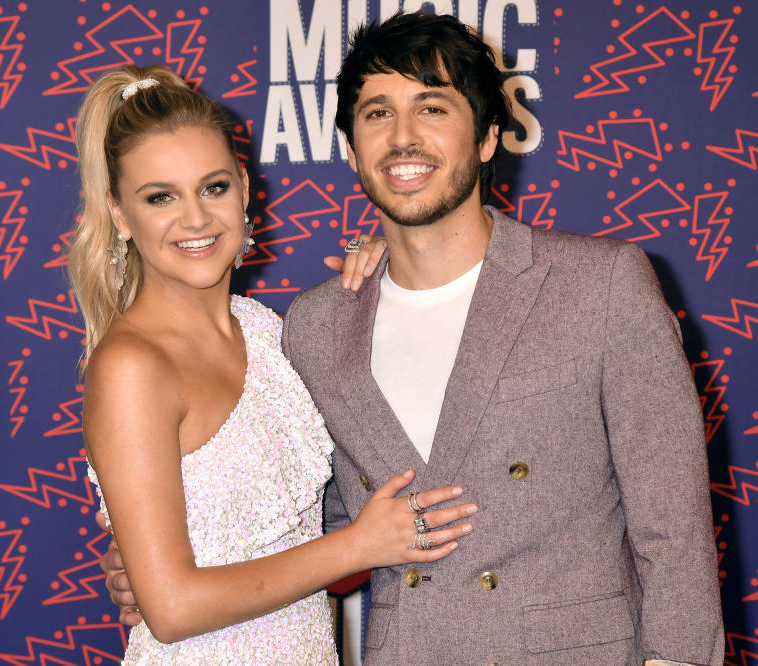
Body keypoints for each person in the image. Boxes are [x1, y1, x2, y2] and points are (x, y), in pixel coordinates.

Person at [103, 12, 725, 665]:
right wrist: (183, 562)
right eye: (376, 114)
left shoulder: (601, 285)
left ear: (488, 138)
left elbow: (675, 531)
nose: (403, 137)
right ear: (349, 148)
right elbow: (331, 527)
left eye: (432, 108)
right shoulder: (317, 325)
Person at [71, 63, 477, 664]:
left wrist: (385, 264)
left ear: (244, 187)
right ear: (121, 215)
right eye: (160, 197)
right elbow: (173, 607)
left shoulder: (267, 331)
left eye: (213, 188)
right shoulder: (131, 365)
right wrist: (358, 546)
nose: (195, 219)